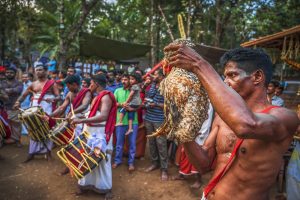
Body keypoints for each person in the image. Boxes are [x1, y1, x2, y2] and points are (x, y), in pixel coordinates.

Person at [164, 45, 299, 200]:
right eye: (224, 77)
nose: (226, 82)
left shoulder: (285, 117)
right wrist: (183, 133)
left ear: (257, 77)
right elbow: (203, 165)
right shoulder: (222, 117)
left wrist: (199, 64)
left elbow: (246, 125)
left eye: (232, 75)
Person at [71, 74, 116, 199]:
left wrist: (81, 121)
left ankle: (106, 188)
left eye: (91, 83)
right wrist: (78, 117)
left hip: (100, 132)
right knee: (87, 157)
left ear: (96, 83)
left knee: (101, 159)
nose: (89, 85)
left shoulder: (106, 97)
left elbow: (103, 116)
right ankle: (84, 185)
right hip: (90, 131)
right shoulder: (96, 97)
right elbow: (91, 113)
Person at [14, 64, 60, 162]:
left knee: (47, 129)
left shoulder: (52, 83)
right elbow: (23, 95)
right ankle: (32, 153)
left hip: (47, 109)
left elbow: (59, 96)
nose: (38, 72)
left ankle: (48, 153)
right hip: (34, 108)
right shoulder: (33, 84)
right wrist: (18, 102)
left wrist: (52, 99)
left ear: (45, 71)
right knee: (33, 127)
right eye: (37, 70)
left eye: (40, 70)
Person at [144, 69, 168, 181]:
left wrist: (156, 104)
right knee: (152, 142)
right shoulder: (153, 84)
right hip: (149, 117)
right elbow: (148, 96)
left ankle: (164, 169)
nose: (153, 76)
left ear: (162, 76)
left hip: (159, 119)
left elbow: (169, 105)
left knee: (161, 144)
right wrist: (145, 86)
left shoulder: (167, 87)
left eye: (156, 74)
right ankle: (154, 163)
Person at [113, 74, 139, 171]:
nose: (123, 81)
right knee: (119, 143)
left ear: (130, 81)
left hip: (133, 121)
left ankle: (131, 162)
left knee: (132, 143)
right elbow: (113, 103)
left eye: (126, 79)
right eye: (122, 80)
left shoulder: (134, 91)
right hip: (120, 121)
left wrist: (131, 108)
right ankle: (117, 160)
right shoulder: (117, 91)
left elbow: (139, 103)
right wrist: (121, 104)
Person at [0, 66, 23, 146]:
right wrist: (9, 91)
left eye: (11, 72)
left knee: (16, 123)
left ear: (15, 74)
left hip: (14, 106)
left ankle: (17, 140)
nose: (9, 74)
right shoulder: (2, 83)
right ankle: (4, 139)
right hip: (3, 107)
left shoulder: (19, 83)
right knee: (3, 124)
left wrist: (6, 91)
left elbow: (18, 90)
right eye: (7, 72)